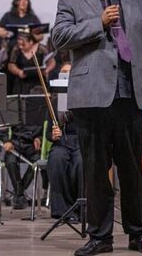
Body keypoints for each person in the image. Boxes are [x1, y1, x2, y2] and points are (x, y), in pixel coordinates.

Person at [52, 0, 142, 255]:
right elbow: (59, 37)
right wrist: (98, 23)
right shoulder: (70, 1)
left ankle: (138, 234)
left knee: (132, 171)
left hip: (132, 98)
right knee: (96, 172)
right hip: (91, 100)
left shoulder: (137, 2)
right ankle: (100, 237)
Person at [46, 63, 83, 220]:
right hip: (62, 141)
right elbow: (48, 133)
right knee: (56, 159)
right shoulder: (53, 102)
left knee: (81, 163)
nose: (66, 76)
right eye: (63, 73)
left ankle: (82, 209)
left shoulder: (86, 98)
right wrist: (53, 135)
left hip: (81, 141)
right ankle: (63, 210)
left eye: (69, 72)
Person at [7, 29, 56, 95]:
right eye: (19, 44)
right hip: (22, 81)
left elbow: (52, 61)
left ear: (31, 42)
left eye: (23, 44)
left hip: (38, 80)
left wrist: (47, 70)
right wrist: (18, 72)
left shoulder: (41, 48)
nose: (21, 47)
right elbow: (11, 65)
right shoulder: (16, 49)